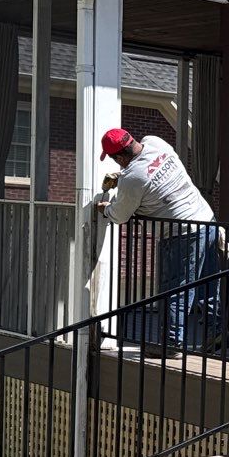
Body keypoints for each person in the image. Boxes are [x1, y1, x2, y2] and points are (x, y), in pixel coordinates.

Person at [94, 126, 219, 353]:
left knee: (176, 288)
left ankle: (171, 343)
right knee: (207, 285)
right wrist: (123, 179)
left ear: (120, 156)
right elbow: (150, 173)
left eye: (114, 160)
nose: (117, 164)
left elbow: (119, 215)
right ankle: (217, 332)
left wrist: (104, 208)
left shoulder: (132, 179)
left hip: (181, 233)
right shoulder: (155, 141)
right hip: (207, 220)